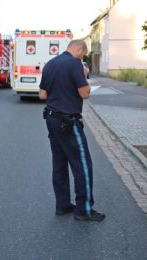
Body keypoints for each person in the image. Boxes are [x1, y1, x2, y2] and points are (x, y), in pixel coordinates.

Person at [39, 40, 105, 222]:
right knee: (82, 164)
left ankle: (62, 205)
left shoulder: (50, 64)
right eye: (83, 54)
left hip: (51, 119)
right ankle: (84, 210)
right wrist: (84, 75)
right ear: (78, 48)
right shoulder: (75, 64)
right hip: (69, 122)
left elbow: (42, 94)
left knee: (59, 164)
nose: (83, 57)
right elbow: (85, 94)